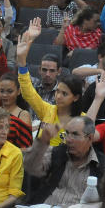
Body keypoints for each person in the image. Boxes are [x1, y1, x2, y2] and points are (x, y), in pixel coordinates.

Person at [17, 18, 83, 146]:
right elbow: (28, 92)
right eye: (58, 92)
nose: (58, 96)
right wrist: (21, 60)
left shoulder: (82, 119)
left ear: (75, 97)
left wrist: (98, 98)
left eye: (64, 94)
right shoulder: (48, 110)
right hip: (39, 154)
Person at [24, 116, 105, 206]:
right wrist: (42, 141)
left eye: (75, 135)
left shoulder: (102, 165)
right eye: (67, 133)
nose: (68, 140)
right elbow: (30, 168)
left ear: (90, 138)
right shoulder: (57, 152)